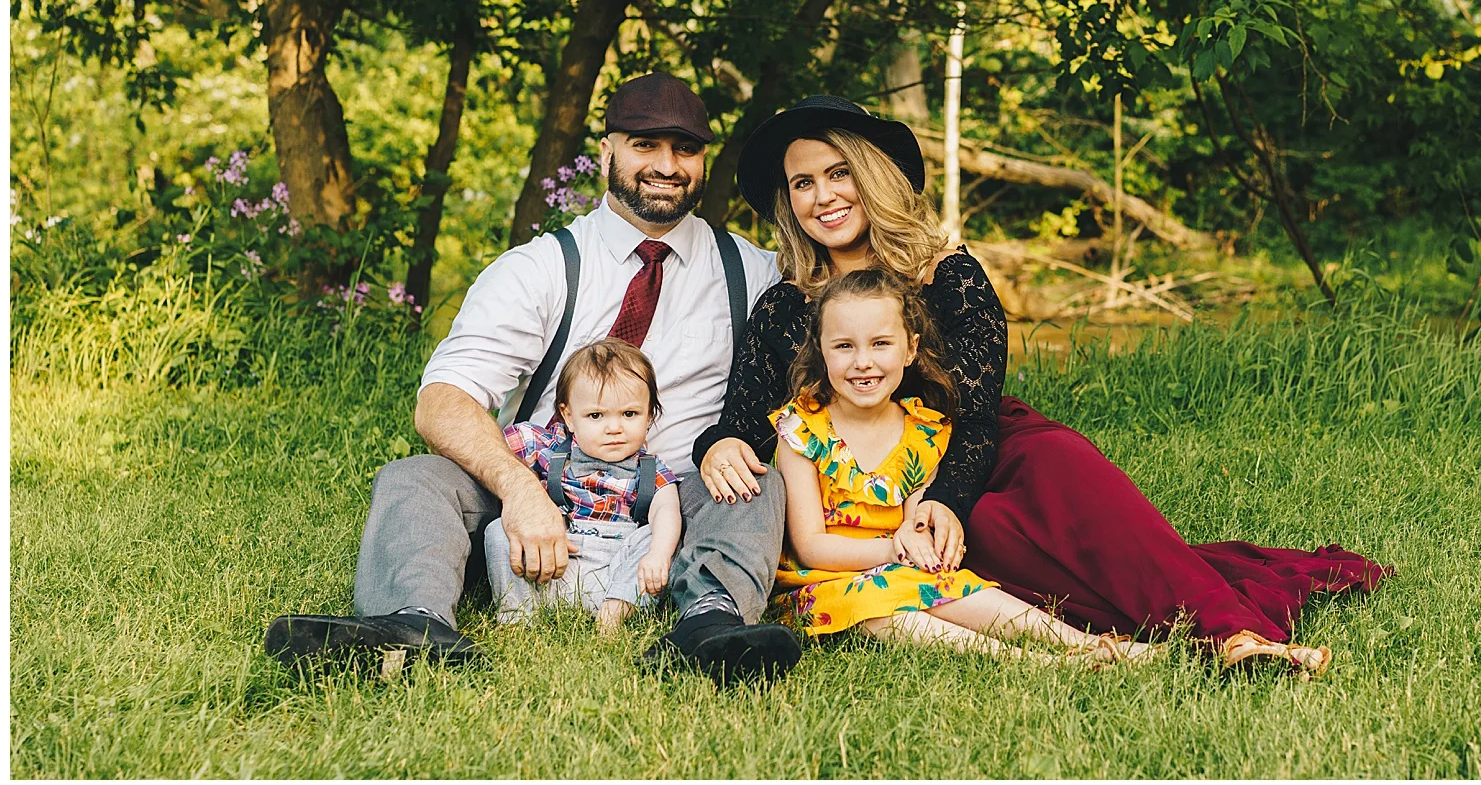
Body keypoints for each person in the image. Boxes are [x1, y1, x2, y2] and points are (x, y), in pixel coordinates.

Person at [696, 93, 1388, 674]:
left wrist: (943, 503)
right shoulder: (788, 303)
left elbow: (976, 412)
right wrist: (718, 444)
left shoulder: (947, 272)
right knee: (1007, 548)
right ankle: (1123, 632)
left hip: (977, 450)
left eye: (837, 172)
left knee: (1058, 473)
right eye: (803, 183)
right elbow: (745, 416)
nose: (824, 196)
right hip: (873, 489)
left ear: (871, 175)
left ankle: (1234, 633)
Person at [263, 73, 803, 686]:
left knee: (757, 487)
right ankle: (409, 623)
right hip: (540, 480)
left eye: (685, 148)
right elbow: (443, 401)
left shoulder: (754, 274)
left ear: (704, 159)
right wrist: (520, 492)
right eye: (644, 144)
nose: (667, 164)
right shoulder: (540, 268)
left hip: (668, 499)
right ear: (607, 151)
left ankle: (711, 626)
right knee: (415, 477)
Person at [771, 267, 1149, 666]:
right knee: (885, 610)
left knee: (960, 588)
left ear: (910, 349)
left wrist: (918, 541)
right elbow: (810, 547)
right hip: (823, 582)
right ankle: (1040, 663)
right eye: (844, 346)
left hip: (901, 567)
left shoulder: (922, 433)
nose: (863, 362)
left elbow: (915, 519)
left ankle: (1092, 644)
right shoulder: (801, 432)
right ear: (821, 351)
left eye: (880, 343)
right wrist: (896, 551)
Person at [487, 338, 680, 636]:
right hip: (555, 563)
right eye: (596, 415)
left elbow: (666, 510)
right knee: (499, 529)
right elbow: (492, 450)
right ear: (568, 417)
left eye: (629, 414)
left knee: (658, 535)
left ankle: (613, 615)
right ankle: (518, 614)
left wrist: (658, 555)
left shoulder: (652, 469)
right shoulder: (547, 449)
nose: (614, 427)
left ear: (649, 415)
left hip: (615, 573)